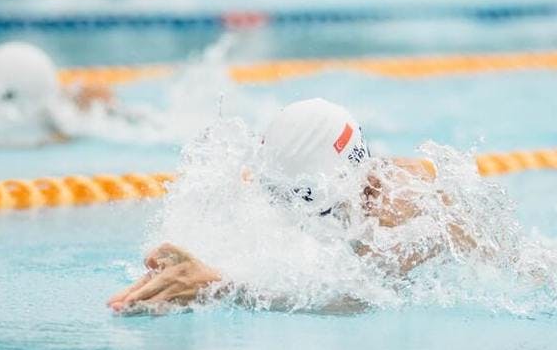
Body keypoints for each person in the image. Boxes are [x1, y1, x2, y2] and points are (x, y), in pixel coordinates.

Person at [107, 98, 508, 314]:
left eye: (301, 201)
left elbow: (354, 299)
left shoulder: (401, 206)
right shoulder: (345, 189)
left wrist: (220, 285)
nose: (291, 212)